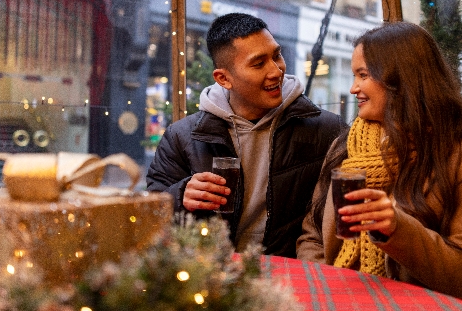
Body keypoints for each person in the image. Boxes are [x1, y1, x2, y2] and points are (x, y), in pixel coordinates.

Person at [297, 22, 462, 303]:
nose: (353, 88)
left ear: (401, 79)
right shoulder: (344, 147)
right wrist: (331, 289)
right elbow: (311, 236)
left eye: (363, 75)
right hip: (345, 305)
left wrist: (398, 229)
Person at [146, 13, 346, 257]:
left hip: (292, 276)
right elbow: (150, 213)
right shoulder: (183, 136)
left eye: (277, 56)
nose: (276, 71)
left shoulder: (327, 130)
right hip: (211, 277)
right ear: (224, 78)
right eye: (258, 63)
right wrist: (181, 195)